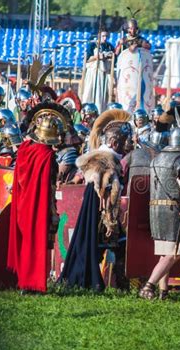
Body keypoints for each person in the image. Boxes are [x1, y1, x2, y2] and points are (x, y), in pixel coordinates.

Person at [59, 111, 133, 291]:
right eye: (125, 141)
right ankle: (99, 282)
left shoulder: (106, 158)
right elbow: (105, 191)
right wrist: (109, 220)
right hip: (102, 213)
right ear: (115, 143)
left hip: (102, 212)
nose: (128, 145)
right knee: (112, 246)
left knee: (106, 247)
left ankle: (101, 282)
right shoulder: (104, 161)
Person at [7, 103, 64, 293]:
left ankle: (24, 281)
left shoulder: (26, 149)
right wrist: (52, 210)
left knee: (25, 241)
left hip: (22, 203)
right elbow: (49, 186)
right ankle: (32, 283)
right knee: (37, 242)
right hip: (38, 204)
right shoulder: (47, 156)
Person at [139, 126, 180, 299]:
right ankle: (148, 286)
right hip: (172, 210)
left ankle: (163, 292)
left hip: (155, 210)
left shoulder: (157, 158)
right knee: (173, 254)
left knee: (166, 253)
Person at [82, 29, 115, 114]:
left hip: (104, 74)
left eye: (106, 36)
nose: (105, 38)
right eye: (103, 36)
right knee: (90, 94)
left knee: (102, 98)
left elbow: (114, 58)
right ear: (99, 36)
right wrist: (97, 57)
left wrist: (109, 56)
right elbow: (87, 59)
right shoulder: (92, 45)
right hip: (94, 73)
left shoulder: (109, 46)